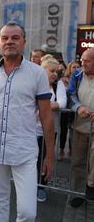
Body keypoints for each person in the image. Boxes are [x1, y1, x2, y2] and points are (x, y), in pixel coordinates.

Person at [0, 22, 54, 222]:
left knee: (28, 212)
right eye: (5, 38)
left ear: (24, 42)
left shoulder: (37, 73)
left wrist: (50, 157)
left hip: (24, 151)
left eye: (15, 37)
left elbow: (46, 117)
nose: (9, 41)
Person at [36, 55, 67, 202]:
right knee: (30, 160)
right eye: (52, 71)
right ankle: (29, 185)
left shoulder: (58, 85)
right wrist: (49, 105)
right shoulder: (34, 82)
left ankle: (41, 186)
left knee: (45, 159)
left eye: (57, 71)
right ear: (43, 71)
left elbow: (62, 103)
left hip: (49, 131)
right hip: (31, 129)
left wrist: (40, 106)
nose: (55, 74)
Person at [68, 47, 94, 207]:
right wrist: (78, 107)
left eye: (87, 61)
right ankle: (78, 192)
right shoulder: (77, 75)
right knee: (77, 161)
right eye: (82, 60)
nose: (82, 63)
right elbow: (70, 94)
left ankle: (91, 186)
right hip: (80, 127)